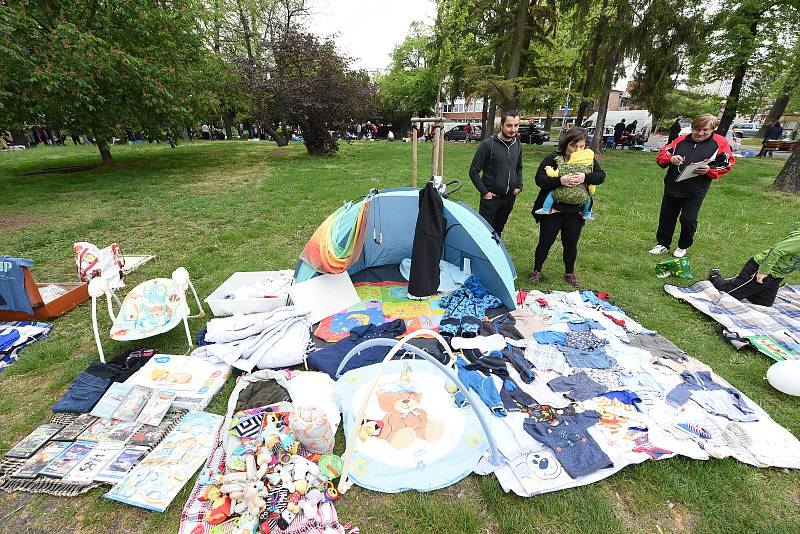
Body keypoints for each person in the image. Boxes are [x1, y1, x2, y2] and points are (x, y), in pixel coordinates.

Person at [649, 113, 735, 258]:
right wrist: (671, 159)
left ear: (712, 129)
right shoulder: (681, 140)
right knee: (667, 217)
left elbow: (728, 163)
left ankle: (683, 246)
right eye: (697, 129)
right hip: (672, 186)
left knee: (688, 219)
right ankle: (662, 244)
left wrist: (710, 170)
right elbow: (662, 156)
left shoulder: (719, 142)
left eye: (705, 130)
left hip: (696, 189)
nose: (700, 133)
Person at [530, 127, 605, 287]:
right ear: (565, 144)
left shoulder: (588, 161)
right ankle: (537, 270)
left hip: (575, 212)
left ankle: (569, 272)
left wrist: (585, 177)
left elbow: (601, 176)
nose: (577, 150)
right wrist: (560, 180)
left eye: (582, 146)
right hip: (553, 210)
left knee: (570, 243)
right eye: (573, 146)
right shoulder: (554, 158)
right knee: (545, 241)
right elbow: (540, 179)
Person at [708, 228, 800, 307]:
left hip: (776, 277)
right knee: (730, 295)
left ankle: (742, 283)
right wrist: (763, 271)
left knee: (764, 304)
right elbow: (776, 251)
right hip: (759, 269)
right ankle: (715, 277)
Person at [468, 109, 523, 237]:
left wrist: (519, 186)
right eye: (509, 125)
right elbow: (473, 171)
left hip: (509, 198)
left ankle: (495, 255)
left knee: (498, 232)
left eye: (516, 125)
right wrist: (485, 192)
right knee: (484, 233)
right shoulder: (488, 144)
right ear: (502, 125)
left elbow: (519, 167)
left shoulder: (518, 144)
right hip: (491, 199)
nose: (513, 129)